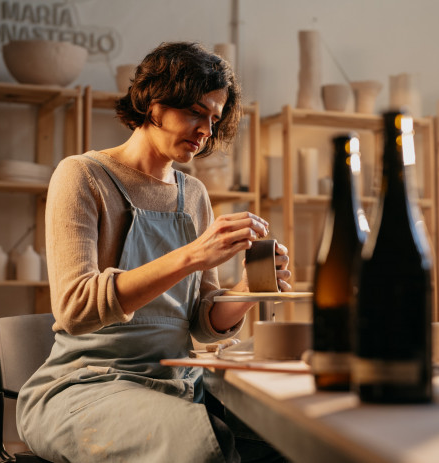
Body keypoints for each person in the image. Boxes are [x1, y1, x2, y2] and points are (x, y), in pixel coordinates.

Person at [16, 41, 291, 462]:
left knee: (279, 435)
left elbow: (202, 321)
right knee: (202, 445)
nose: (207, 130)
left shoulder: (193, 194)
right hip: (87, 385)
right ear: (154, 102)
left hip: (176, 382)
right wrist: (193, 255)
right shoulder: (84, 176)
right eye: (196, 112)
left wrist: (251, 289)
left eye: (215, 119)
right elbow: (74, 307)